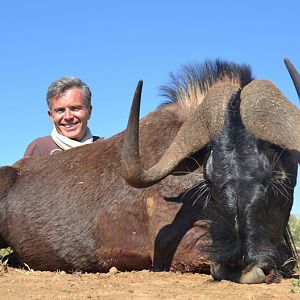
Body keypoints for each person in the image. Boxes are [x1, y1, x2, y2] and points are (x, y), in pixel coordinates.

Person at [24, 76, 102, 157]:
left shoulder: (105, 148)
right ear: (51, 116)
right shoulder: (39, 148)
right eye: (60, 110)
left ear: (89, 111)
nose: (68, 117)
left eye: (75, 108)